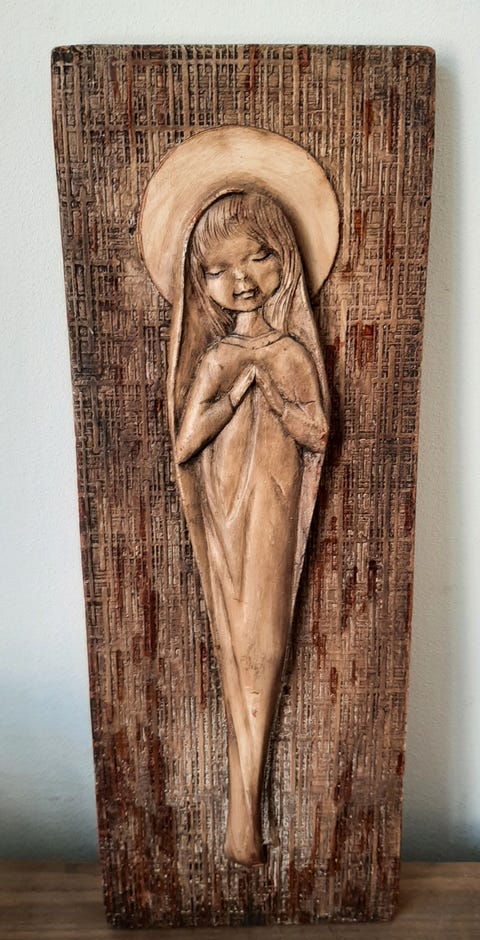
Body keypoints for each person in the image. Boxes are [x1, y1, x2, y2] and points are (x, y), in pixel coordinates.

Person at [171, 190, 329, 865]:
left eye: (258, 257)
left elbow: (318, 431)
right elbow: (185, 443)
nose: (242, 280)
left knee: (265, 639)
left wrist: (280, 399)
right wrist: (239, 389)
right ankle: (243, 818)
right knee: (235, 639)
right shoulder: (214, 360)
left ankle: (248, 808)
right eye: (220, 269)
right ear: (200, 281)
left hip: (274, 505)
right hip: (225, 515)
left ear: (285, 260)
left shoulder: (292, 353)